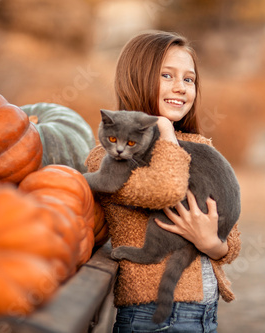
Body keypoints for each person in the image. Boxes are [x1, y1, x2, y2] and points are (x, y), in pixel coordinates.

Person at [85, 31, 241, 333]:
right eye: (167, 75)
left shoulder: (200, 147)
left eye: (189, 79)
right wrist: (166, 135)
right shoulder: (111, 157)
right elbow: (166, 190)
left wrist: (212, 244)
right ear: (136, 78)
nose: (180, 88)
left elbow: (231, 237)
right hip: (152, 314)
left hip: (206, 313)